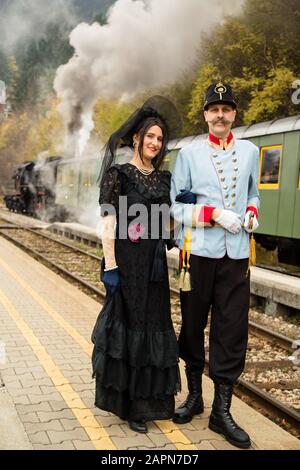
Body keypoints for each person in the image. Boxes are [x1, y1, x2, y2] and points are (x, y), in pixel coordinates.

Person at [170, 82, 260, 449]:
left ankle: (222, 413)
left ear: (233, 114)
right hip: (199, 255)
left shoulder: (251, 151)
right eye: (214, 109)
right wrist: (214, 214)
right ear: (205, 115)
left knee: (232, 330)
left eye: (226, 108)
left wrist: (253, 212)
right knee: (192, 327)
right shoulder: (189, 154)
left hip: (236, 257)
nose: (220, 114)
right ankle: (194, 397)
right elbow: (175, 207)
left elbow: (253, 192)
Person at [92, 96, 181, 434]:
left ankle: (147, 405)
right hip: (126, 265)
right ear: (137, 139)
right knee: (128, 329)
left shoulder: (163, 180)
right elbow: (108, 222)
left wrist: (177, 221)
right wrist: (111, 267)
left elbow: (165, 225)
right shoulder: (119, 175)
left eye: (160, 138)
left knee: (152, 327)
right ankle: (129, 406)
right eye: (150, 137)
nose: (155, 143)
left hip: (154, 267)